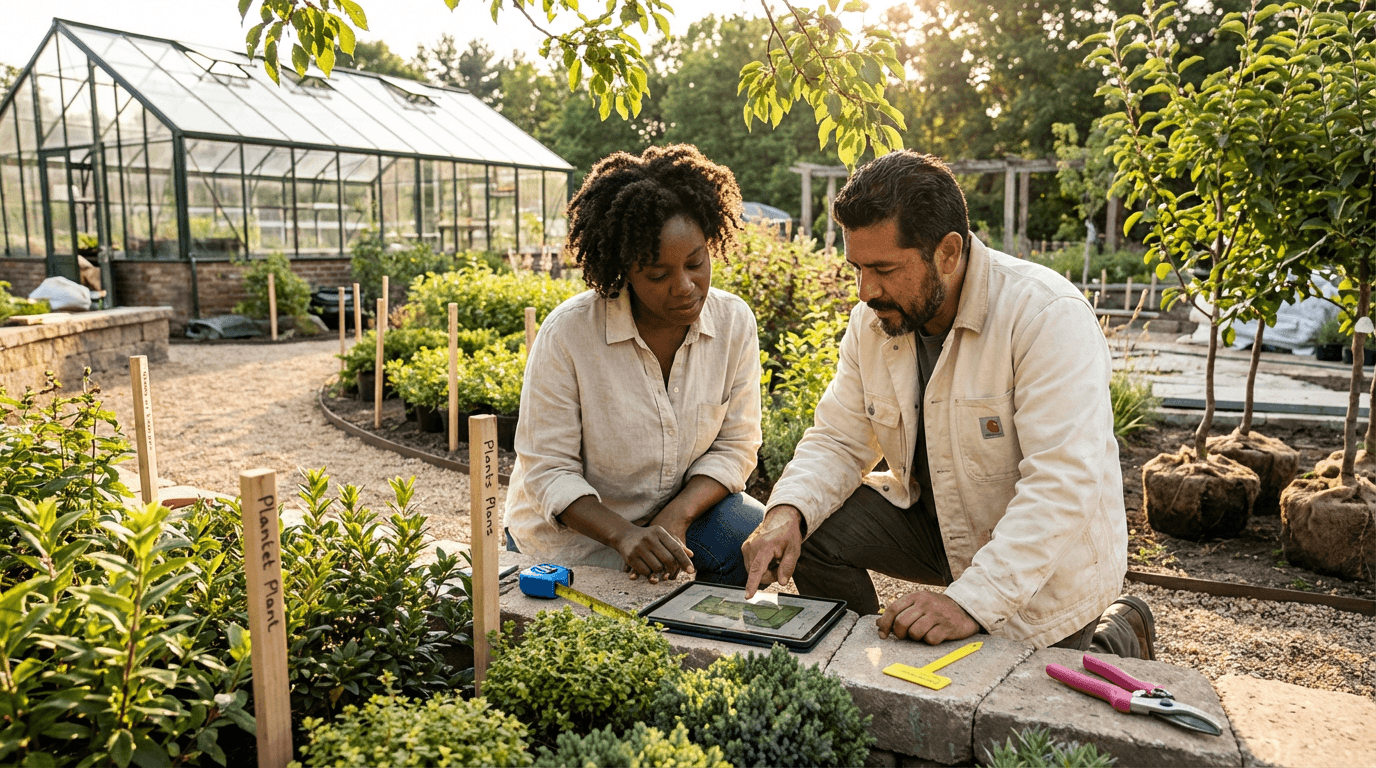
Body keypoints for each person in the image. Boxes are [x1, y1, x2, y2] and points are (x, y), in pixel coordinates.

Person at [740, 150, 1154, 658]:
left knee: (1029, 697)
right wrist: (785, 513)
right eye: (857, 268)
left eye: (883, 268)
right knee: (811, 523)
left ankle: (1118, 634)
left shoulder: (1046, 315)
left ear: (949, 253)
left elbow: (1061, 484)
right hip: (934, 525)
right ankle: (863, 666)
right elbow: (838, 439)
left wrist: (968, 605)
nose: (865, 290)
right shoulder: (871, 323)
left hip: (1046, 563)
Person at [504, 144, 765, 587]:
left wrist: (674, 517)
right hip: (568, 543)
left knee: (745, 528)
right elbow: (549, 470)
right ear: (623, 269)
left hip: (671, 522)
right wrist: (625, 536)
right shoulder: (569, 335)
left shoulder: (733, 321)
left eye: (696, 263)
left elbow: (736, 445)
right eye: (658, 275)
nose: (685, 287)